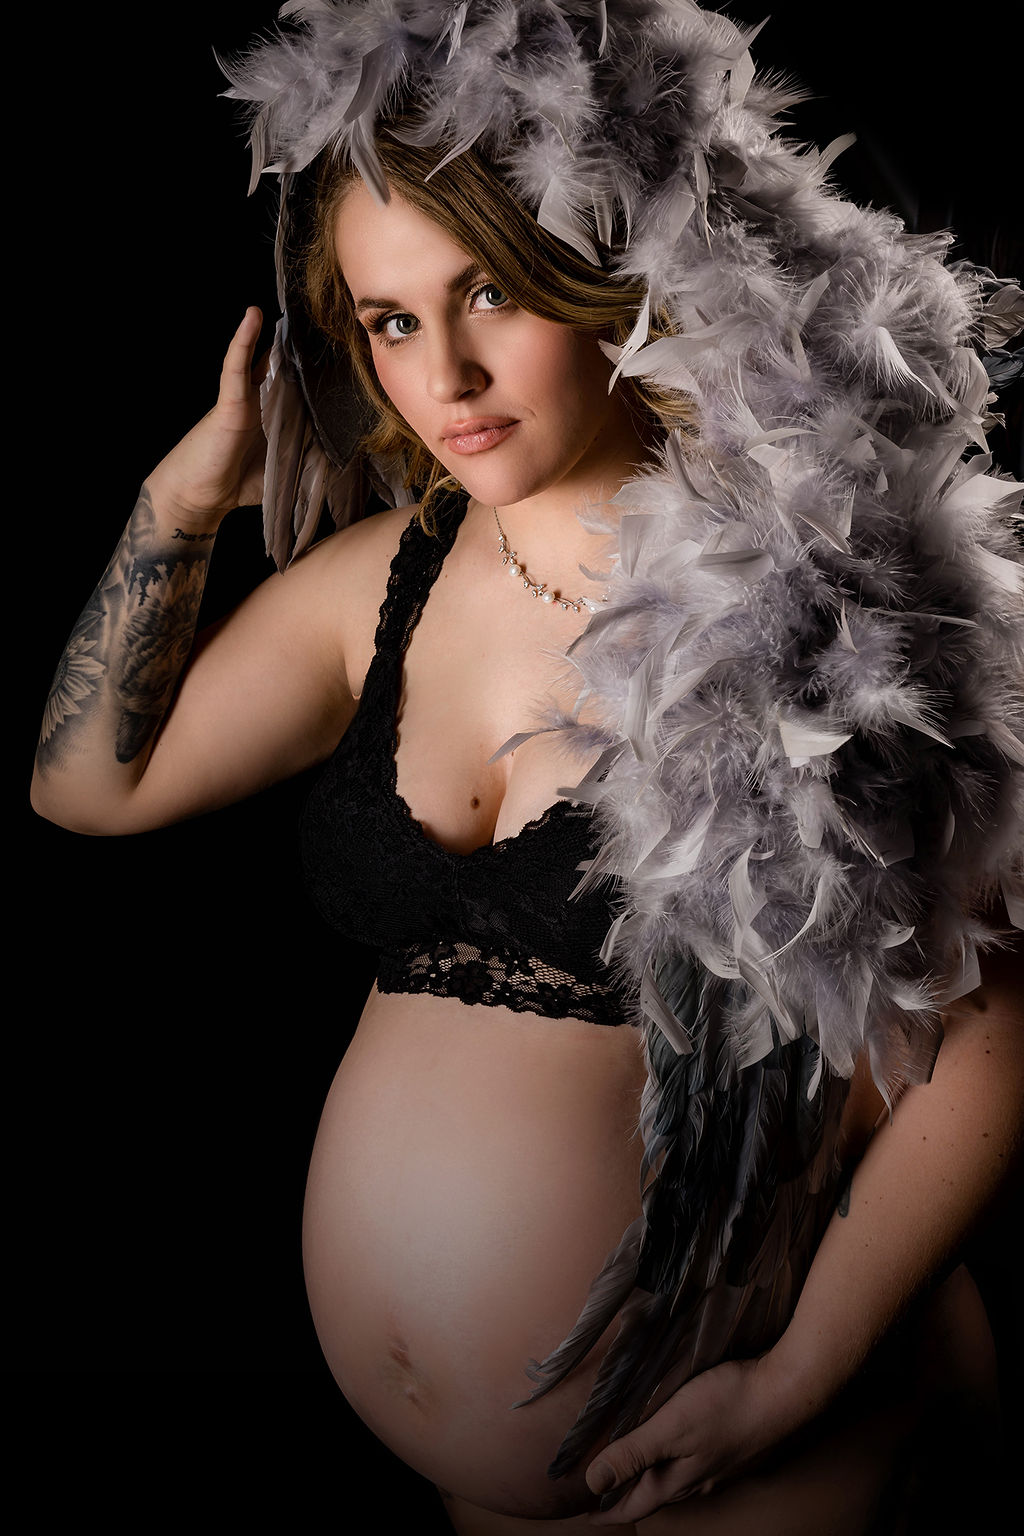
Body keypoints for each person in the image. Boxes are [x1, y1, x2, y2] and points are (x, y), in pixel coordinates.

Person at [31, 3, 1023, 1532]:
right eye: (392, 319)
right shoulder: (385, 585)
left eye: (489, 287)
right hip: (483, 1496)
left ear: (606, 270)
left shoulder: (817, 603)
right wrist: (181, 500)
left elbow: (990, 1039)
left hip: (757, 1457)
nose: (449, 373)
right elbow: (89, 787)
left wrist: (797, 1376)